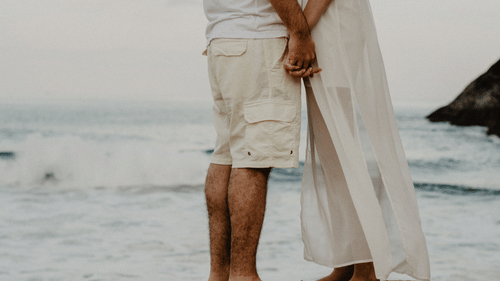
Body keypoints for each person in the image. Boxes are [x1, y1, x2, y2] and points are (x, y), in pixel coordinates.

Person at [286, 0, 432, 280]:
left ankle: (366, 270)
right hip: (324, 22)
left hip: (330, 23)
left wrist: (300, 33)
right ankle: (349, 262)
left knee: (342, 154)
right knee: (334, 156)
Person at [202, 1, 320, 281]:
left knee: (226, 157)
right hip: (258, 41)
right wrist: (300, 35)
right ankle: (244, 275)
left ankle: (220, 274)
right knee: (254, 160)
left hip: (222, 39)